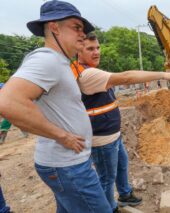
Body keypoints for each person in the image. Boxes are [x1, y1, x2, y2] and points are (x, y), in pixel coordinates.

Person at [0, 1, 113, 212]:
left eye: (83, 29)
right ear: (54, 27)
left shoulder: (59, 62)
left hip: (67, 164)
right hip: (68, 166)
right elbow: (7, 102)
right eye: (76, 27)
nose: (82, 34)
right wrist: (62, 136)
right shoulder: (47, 60)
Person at [72, 32, 170, 211]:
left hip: (112, 134)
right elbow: (127, 77)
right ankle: (110, 208)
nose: (96, 52)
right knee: (106, 179)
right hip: (102, 139)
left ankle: (125, 194)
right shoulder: (88, 74)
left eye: (98, 47)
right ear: (79, 51)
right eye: (90, 49)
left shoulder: (91, 71)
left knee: (122, 165)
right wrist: (164, 74)